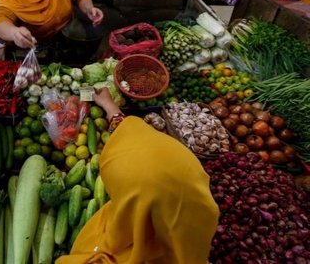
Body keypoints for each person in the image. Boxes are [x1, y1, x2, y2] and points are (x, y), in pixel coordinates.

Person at [56, 87, 219, 264]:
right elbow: (133, 136)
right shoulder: (200, 209)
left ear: (135, 207)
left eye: (119, 192)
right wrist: (109, 106)